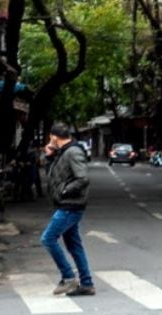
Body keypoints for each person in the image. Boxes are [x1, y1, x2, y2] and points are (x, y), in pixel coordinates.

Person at [41, 123, 95, 296]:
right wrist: (50, 157)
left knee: (48, 239)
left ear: (55, 137)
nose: (50, 141)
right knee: (74, 245)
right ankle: (86, 283)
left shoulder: (73, 152)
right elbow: (55, 175)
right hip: (67, 203)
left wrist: (65, 191)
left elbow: (83, 178)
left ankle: (68, 277)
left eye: (51, 138)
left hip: (70, 205)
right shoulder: (64, 152)